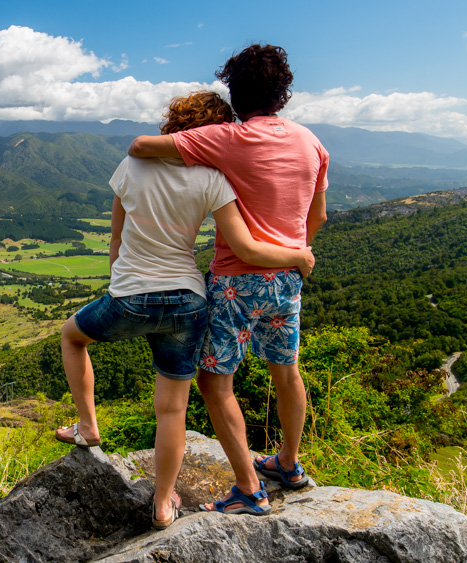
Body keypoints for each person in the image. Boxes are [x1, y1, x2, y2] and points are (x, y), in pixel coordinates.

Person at [54, 91, 315, 528]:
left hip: (130, 296)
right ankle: (161, 504)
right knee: (172, 409)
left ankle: (87, 426)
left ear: (173, 124)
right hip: (189, 302)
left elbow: (116, 243)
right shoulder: (213, 179)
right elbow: (246, 245)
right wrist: (297, 257)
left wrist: (125, 283)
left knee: (72, 336)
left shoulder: (131, 167)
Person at [128, 44, 329, 515]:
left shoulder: (227, 138)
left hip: (238, 281)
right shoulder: (311, 142)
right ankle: (289, 464)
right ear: (284, 92)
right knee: (287, 371)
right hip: (290, 277)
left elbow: (139, 146)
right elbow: (316, 215)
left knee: (215, 382)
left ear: (235, 93)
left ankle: (248, 488)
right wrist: (293, 253)